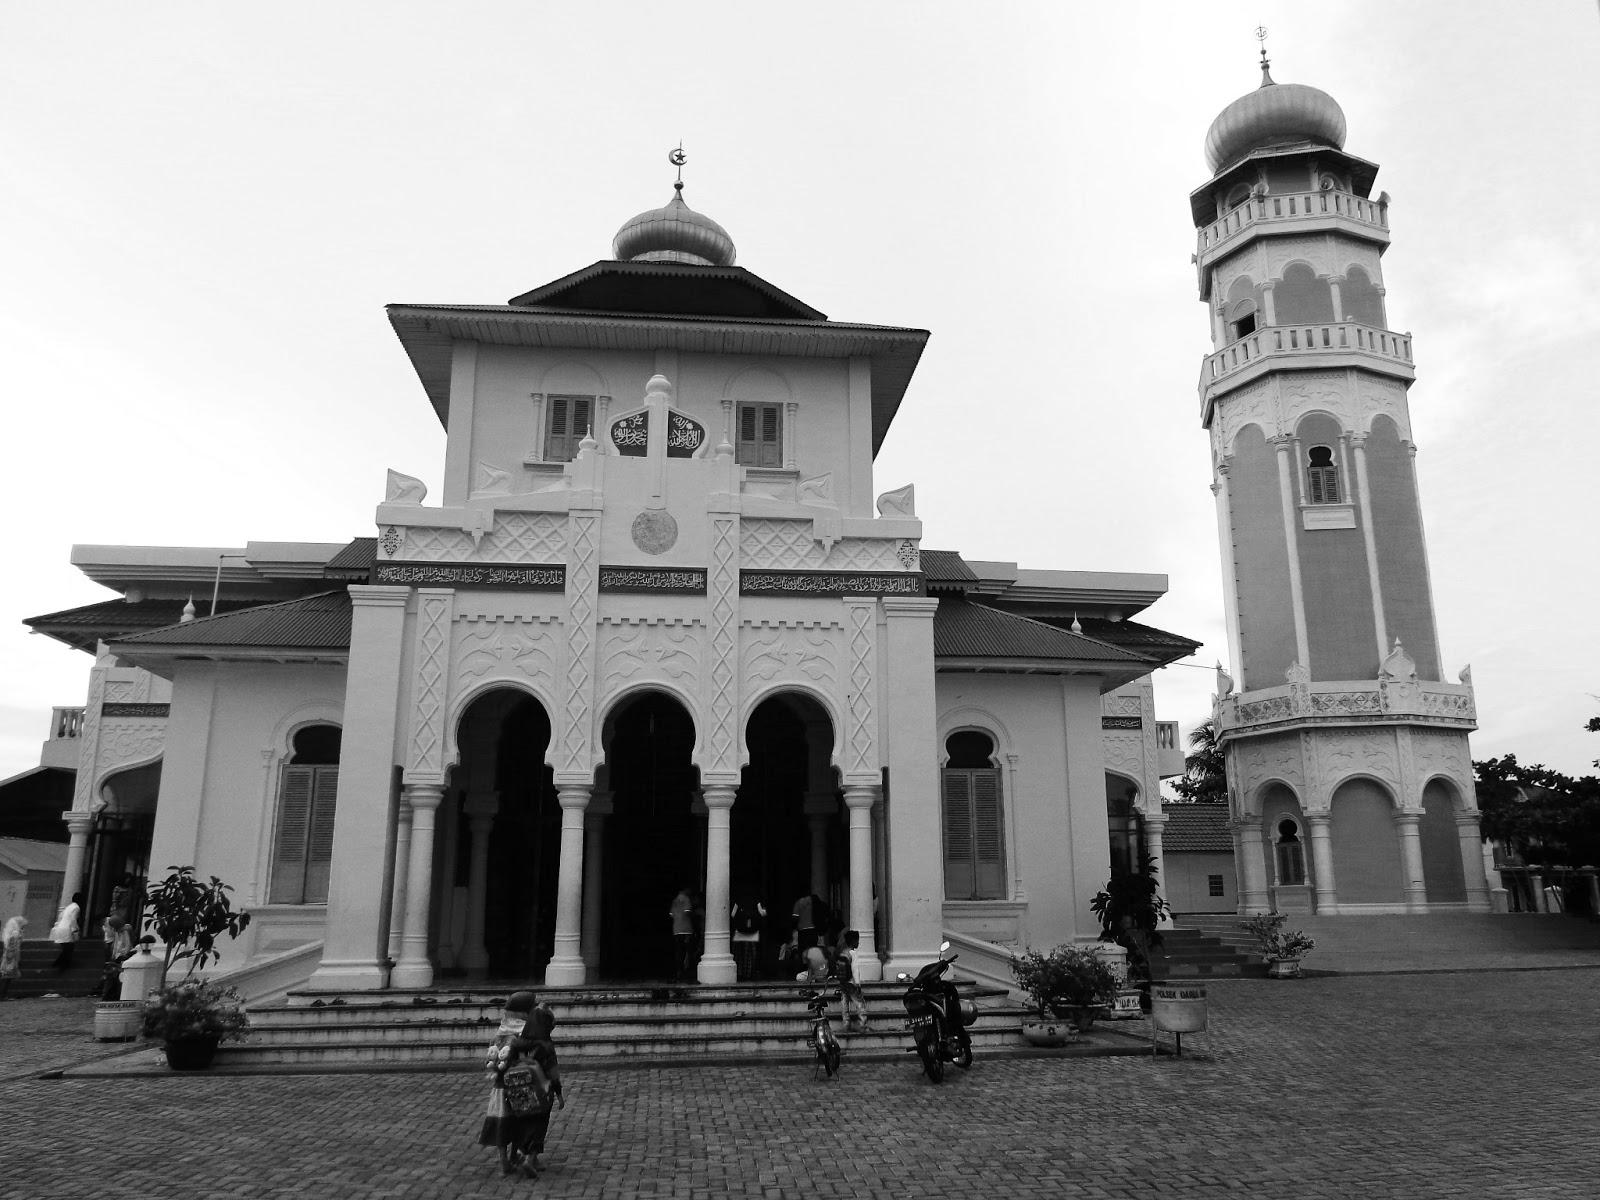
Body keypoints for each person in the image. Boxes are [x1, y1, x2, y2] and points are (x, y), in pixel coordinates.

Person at [480, 992, 564, 1178]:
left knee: (502, 1123)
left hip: (501, 1086)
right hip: (526, 1087)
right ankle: (525, 1157)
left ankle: (508, 1159)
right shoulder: (527, 1035)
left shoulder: (499, 1036)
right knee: (525, 1123)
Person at [834, 929, 870, 1032]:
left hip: (843, 982)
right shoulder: (853, 953)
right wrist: (858, 983)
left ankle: (846, 1023)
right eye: (857, 940)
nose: (858, 943)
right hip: (851, 983)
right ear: (853, 941)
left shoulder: (843, 952)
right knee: (859, 1002)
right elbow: (855, 968)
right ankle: (863, 1024)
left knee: (844, 1002)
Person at [730, 892, 765, 982]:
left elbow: (732, 915)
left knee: (738, 955)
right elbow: (763, 914)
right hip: (753, 934)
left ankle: (739, 973)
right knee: (750, 955)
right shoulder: (757, 902)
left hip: (739, 934)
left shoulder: (738, 902)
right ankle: (749, 974)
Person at [669, 885, 697, 981]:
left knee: (679, 952)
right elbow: (688, 912)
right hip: (686, 929)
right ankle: (685, 973)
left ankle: (679, 972)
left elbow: (671, 914)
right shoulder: (686, 899)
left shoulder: (674, 901)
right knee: (687, 952)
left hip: (676, 929)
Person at [50, 892, 82, 972]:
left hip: (61, 928)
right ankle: (62, 965)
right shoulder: (76, 908)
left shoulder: (69, 907)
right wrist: (75, 929)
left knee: (67, 948)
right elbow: (73, 919)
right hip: (67, 929)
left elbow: (61, 916)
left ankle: (58, 963)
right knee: (69, 948)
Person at [0, 916, 27, 999]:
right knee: (7, 978)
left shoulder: (10, 933)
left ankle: (2, 995)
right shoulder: (16, 933)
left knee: (5, 977)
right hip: (11, 958)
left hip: (8, 957)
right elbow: (14, 947)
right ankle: (2, 996)